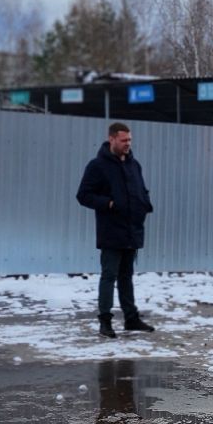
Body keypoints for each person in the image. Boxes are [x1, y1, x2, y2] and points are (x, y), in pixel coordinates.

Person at [77, 122, 155, 337]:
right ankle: (105, 321)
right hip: (111, 231)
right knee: (109, 276)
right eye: (123, 140)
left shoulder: (134, 165)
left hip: (132, 230)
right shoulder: (98, 166)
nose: (127, 144)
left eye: (129, 140)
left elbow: (141, 190)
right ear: (111, 139)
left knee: (126, 277)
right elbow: (83, 195)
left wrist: (145, 204)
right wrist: (109, 204)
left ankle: (131, 319)